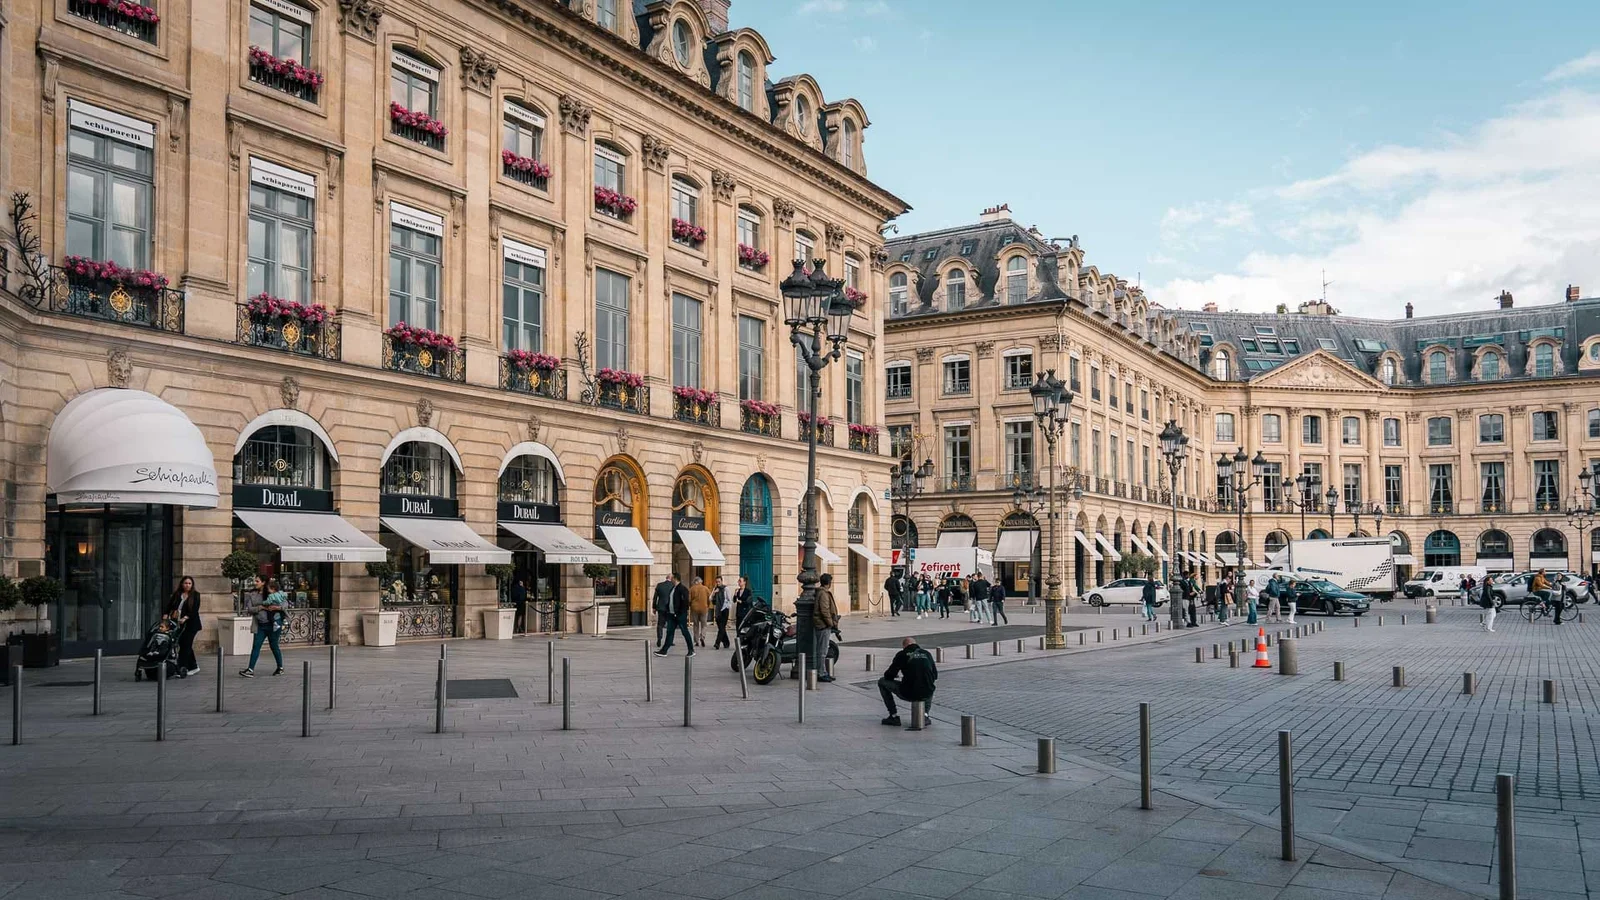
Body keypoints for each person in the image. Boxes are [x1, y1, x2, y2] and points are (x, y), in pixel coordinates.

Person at [878, 636, 938, 726]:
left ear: (904, 646)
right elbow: (935, 675)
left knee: (882, 682)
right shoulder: (927, 653)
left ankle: (893, 716)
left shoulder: (902, 654)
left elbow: (889, 675)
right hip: (927, 693)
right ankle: (925, 715)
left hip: (908, 692)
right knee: (928, 684)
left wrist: (896, 676)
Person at [239, 577, 285, 678]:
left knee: (274, 646)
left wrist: (278, 607)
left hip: (273, 625)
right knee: (256, 646)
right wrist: (261, 607)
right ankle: (250, 669)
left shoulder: (272, 593)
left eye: (257, 581)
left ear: (263, 582)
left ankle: (280, 667)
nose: (255, 583)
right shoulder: (252, 594)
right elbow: (250, 609)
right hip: (260, 625)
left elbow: (284, 604)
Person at [164, 575, 202, 677]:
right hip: (178, 624)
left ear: (192, 585)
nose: (187, 585)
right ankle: (194, 666)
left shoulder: (196, 595)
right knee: (185, 645)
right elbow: (169, 605)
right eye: (185, 583)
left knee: (186, 645)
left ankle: (181, 668)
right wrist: (166, 614)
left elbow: (194, 609)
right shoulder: (177, 594)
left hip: (191, 625)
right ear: (182, 584)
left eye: (189, 583)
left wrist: (186, 617)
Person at [654, 573, 695, 656]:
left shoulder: (682, 589)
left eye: (672, 578)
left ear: (675, 578)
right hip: (671, 614)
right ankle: (664, 650)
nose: (670, 579)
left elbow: (685, 602)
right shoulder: (673, 588)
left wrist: (681, 612)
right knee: (669, 632)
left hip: (680, 615)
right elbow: (671, 600)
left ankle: (691, 650)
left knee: (685, 632)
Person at [813, 572, 840, 681]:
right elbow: (824, 610)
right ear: (828, 583)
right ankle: (821, 673)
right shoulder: (823, 594)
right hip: (823, 625)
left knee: (822, 650)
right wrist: (831, 623)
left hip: (822, 624)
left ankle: (822, 672)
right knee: (822, 651)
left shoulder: (821, 592)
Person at [652, 574, 675, 649]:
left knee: (660, 624)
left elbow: (655, 597)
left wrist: (654, 607)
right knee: (670, 625)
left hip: (661, 607)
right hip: (670, 608)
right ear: (672, 578)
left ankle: (659, 638)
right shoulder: (673, 585)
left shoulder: (659, 585)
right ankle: (670, 641)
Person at [688, 576, 712, 646]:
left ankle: (696, 641)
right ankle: (702, 637)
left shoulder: (691, 589)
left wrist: (690, 605)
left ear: (695, 582)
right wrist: (707, 605)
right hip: (704, 608)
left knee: (695, 625)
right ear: (700, 581)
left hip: (694, 609)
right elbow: (710, 598)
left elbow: (689, 600)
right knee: (704, 625)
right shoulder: (705, 588)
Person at [712, 576, 732, 649]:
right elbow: (710, 598)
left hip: (724, 609)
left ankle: (717, 643)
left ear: (722, 581)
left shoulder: (725, 589)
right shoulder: (715, 589)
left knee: (722, 627)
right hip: (717, 611)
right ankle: (726, 642)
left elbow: (729, 599)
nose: (718, 583)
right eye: (716, 582)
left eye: (719, 582)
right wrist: (714, 593)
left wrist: (727, 607)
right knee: (721, 628)